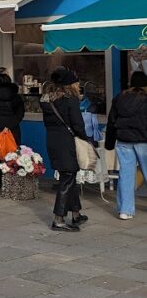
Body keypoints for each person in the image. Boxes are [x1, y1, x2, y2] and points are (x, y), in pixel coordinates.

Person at [40, 67, 90, 231]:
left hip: (53, 142)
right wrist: (86, 139)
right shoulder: (70, 100)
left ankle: (76, 214)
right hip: (67, 143)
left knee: (69, 177)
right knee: (67, 179)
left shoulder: (47, 101)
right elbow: (78, 124)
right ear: (70, 84)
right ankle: (58, 219)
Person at [105, 70, 147, 221]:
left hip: (123, 141)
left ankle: (125, 210)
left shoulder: (119, 98)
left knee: (126, 175)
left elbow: (111, 122)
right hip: (144, 141)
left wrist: (109, 143)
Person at [0, 68, 25, 189]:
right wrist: (9, 126)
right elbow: (20, 113)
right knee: (13, 154)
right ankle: (11, 178)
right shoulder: (16, 96)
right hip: (13, 130)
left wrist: (1, 127)